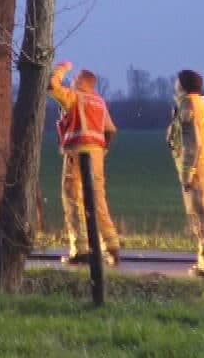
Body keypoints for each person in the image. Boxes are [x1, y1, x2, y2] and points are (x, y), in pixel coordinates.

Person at [47, 60, 120, 266]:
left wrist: (61, 68)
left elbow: (51, 86)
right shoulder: (99, 102)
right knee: (98, 200)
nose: (72, 81)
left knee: (73, 199)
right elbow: (110, 131)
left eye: (75, 78)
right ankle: (111, 245)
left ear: (81, 81)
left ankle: (80, 249)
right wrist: (102, 150)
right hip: (96, 156)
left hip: (77, 153)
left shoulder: (75, 96)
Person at [169, 68, 204, 281]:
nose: (174, 86)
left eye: (176, 82)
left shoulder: (189, 105)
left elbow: (192, 143)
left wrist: (186, 173)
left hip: (199, 170)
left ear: (182, 85)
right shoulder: (203, 104)